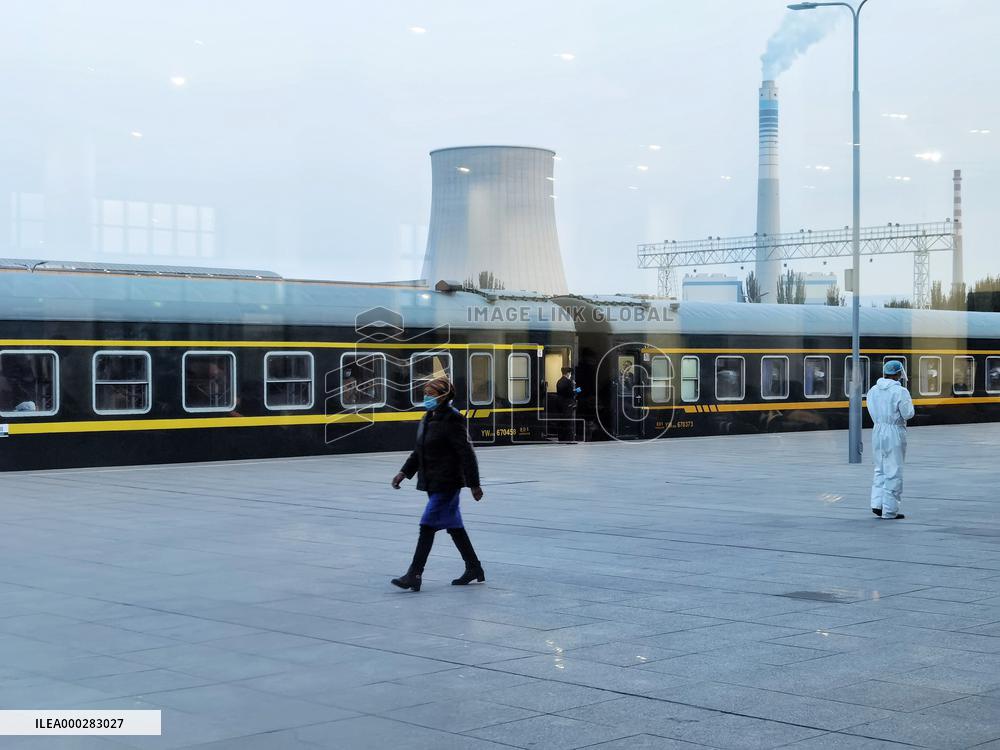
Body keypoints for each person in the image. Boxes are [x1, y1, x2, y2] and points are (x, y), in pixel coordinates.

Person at [390, 376, 485, 591]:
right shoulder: (428, 417)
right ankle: (474, 567)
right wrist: (403, 472)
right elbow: (419, 450)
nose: (426, 398)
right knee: (454, 527)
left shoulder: (453, 419)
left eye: (431, 394)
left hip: (447, 483)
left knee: (427, 526)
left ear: (443, 396)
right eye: (425, 394)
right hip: (432, 481)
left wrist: (474, 484)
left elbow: (466, 453)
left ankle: (414, 574)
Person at [867, 359, 915, 520]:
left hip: (878, 429)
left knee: (879, 468)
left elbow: (871, 410)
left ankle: (877, 504)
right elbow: (908, 413)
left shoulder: (873, 390)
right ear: (898, 374)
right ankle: (889, 510)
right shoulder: (900, 391)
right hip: (894, 431)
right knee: (893, 470)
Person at [555, 366, 580, 442]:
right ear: (568, 373)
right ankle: (569, 439)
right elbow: (571, 394)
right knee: (569, 422)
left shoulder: (559, 381)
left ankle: (561, 438)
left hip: (560, 404)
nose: (571, 375)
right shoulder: (569, 382)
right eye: (570, 373)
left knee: (562, 422)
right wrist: (578, 390)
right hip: (568, 404)